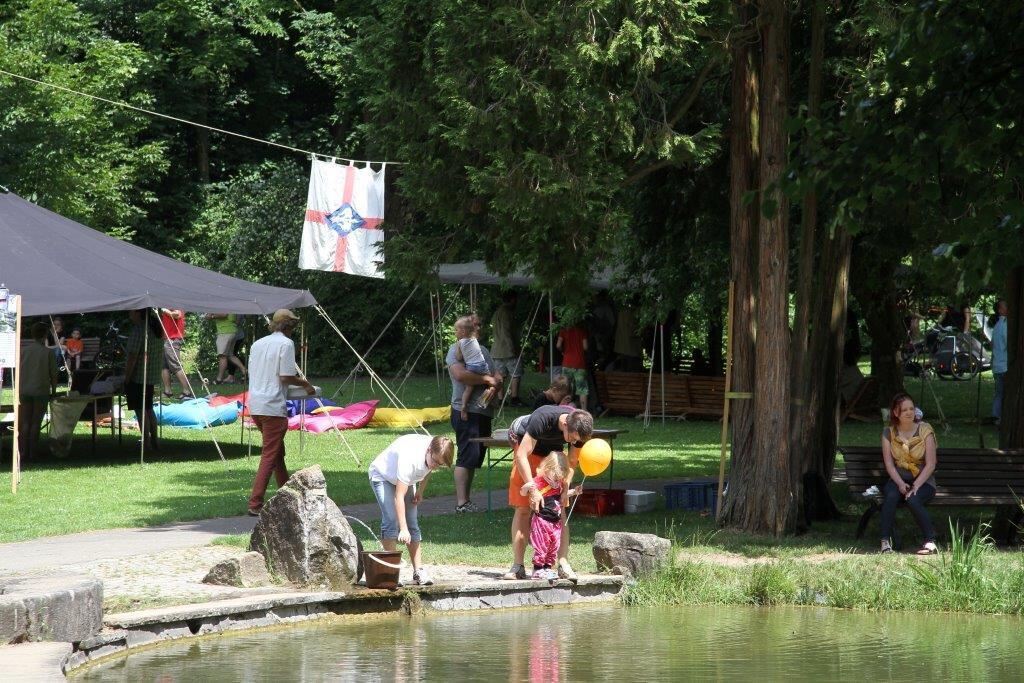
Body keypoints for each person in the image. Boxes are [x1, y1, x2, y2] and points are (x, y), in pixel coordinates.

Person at [504, 404, 594, 581]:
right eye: (572, 439)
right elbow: (522, 454)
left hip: (552, 454)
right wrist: (532, 487)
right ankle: (518, 566)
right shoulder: (543, 418)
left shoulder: (580, 429)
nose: (574, 443)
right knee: (523, 508)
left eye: (578, 441)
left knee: (559, 509)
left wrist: (564, 488)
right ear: (565, 425)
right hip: (524, 444)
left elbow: (573, 461)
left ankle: (563, 563)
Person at [246, 309, 315, 516]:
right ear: (288, 327)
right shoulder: (286, 344)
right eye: (293, 327)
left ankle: (287, 495)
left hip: (256, 405)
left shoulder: (257, 344)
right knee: (269, 455)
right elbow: (285, 376)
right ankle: (255, 503)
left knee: (277, 454)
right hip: (273, 407)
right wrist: (305, 383)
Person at [368, 433, 454, 586]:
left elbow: (428, 469)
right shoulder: (411, 458)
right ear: (428, 450)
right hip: (382, 476)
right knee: (391, 520)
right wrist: (403, 529)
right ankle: (390, 572)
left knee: (413, 523)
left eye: (439, 464)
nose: (435, 466)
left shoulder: (436, 449)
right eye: (435, 461)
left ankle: (418, 571)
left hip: (406, 479)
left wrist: (420, 491)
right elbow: (398, 497)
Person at [446, 327, 500, 513]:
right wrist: (488, 380)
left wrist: (495, 383)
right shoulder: (455, 350)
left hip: (483, 410)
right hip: (466, 411)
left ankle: (467, 502)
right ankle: (462, 503)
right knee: (466, 455)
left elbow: (496, 376)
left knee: (475, 457)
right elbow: (461, 375)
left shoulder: (483, 350)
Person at [880, 392, 938, 555]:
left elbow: (931, 464)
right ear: (895, 413)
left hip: (923, 480)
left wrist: (915, 486)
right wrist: (900, 484)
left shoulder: (925, 430)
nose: (909, 412)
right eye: (904, 409)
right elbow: (889, 465)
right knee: (891, 496)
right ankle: (885, 541)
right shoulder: (888, 433)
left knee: (913, 499)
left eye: (911, 408)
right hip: (898, 478)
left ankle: (930, 541)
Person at [520, 451, 569, 580]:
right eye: (556, 476)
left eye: (560, 477)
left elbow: (559, 498)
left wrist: (574, 492)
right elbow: (523, 492)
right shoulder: (539, 482)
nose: (558, 479)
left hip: (555, 522)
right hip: (542, 521)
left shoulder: (558, 485)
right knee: (541, 545)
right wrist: (527, 487)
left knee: (554, 545)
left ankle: (547, 568)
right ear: (547, 468)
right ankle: (538, 569)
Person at [124, 309, 165, 452]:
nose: (129, 314)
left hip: (138, 377)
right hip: (151, 377)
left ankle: (146, 443)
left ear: (138, 313)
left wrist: (126, 378)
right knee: (148, 409)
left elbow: (132, 357)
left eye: (132, 312)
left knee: (141, 411)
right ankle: (154, 440)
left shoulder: (139, 330)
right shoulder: (156, 328)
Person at [18, 322, 58, 462]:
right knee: (35, 422)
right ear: (45, 334)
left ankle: (22, 453)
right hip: (41, 390)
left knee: (25, 422)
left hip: (24, 390)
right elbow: (54, 374)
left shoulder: (23, 351)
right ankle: (32, 453)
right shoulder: (48, 352)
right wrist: (53, 391)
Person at [455, 315, 497, 420]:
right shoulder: (474, 341)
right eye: (475, 325)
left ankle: (464, 406)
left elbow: (459, 357)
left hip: (471, 367)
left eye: (456, 330)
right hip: (481, 366)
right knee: (492, 383)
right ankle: (488, 400)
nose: (478, 328)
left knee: (469, 388)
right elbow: (460, 375)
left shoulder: (460, 343)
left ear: (463, 331)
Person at [490, 291, 524, 406]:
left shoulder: (497, 312)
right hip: (508, 350)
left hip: (496, 350)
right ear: (512, 300)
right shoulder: (506, 312)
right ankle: (514, 398)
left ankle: (501, 400)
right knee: (516, 373)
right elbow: (506, 332)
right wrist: (512, 348)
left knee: (500, 375)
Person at [159, 308, 191, 400]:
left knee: (175, 365)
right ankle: (167, 392)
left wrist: (165, 310)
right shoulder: (168, 305)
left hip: (173, 340)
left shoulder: (174, 305)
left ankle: (187, 392)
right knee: (164, 366)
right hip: (166, 339)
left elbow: (177, 314)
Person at [556, 321, 589, 411]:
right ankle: (584, 410)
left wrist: (563, 352)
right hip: (579, 364)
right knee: (582, 389)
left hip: (566, 362)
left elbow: (558, 345)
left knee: (566, 387)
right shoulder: (582, 331)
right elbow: (585, 347)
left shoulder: (563, 331)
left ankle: (565, 408)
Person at [209, 313, 247, 384]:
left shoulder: (224, 303)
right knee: (230, 355)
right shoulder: (230, 304)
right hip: (231, 331)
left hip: (225, 332)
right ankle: (244, 371)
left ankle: (219, 379)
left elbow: (224, 314)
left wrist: (212, 316)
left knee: (222, 356)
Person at [990, 300, 1008, 426]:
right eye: (1006, 306)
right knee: (1003, 394)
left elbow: (992, 344)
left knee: (999, 393)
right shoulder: (1005, 325)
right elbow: (1008, 344)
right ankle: (1000, 418)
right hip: (1004, 365)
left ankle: (996, 416)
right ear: (1000, 310)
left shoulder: (996, 326)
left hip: (997, 364)